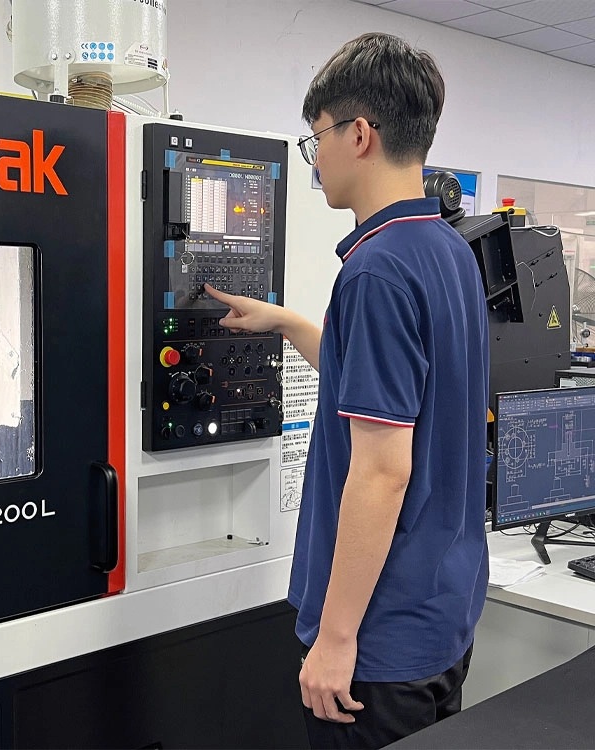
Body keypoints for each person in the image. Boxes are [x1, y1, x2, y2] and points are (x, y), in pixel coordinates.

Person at [205, 32, 488, 749]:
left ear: (359, 133)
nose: (316, 160)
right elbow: (397, 388)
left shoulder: (375, 272)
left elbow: (383, 472)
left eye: (316, 140)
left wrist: (335, 640)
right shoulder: (448, 251)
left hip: (376, 644)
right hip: (440, 618)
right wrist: (288, 323)